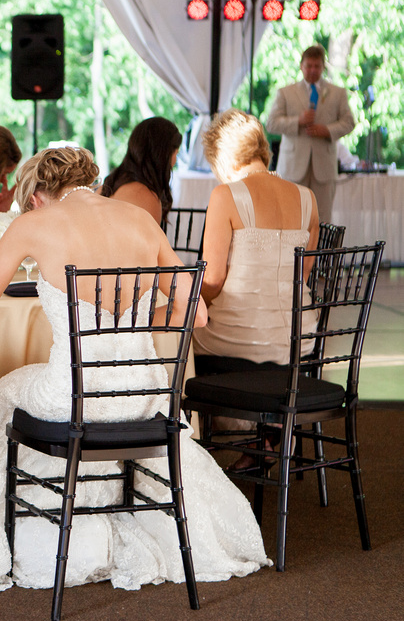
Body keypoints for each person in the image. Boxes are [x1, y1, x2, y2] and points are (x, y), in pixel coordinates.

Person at [0, 145, 270, 594]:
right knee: (23, 391)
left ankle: (26, 531)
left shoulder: (33, 224)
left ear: (39, 193)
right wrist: (134, 321)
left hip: (73, 397)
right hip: (145, 396)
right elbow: (195, 314)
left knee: (4, 392)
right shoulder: (141, 220)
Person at [195, 108, 319, 374]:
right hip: (299, 340)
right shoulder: (308, 197)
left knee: (177, 336)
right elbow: (302, 279)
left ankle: (204, 413)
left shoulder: (224, 195)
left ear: (223, 156)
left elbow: (213, 282)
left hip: (238, 340)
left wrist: (189, 300)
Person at [265, 44, 355, 223]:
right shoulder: (285, 93)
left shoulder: (338, 93)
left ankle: (321, 252)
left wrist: (327, 130)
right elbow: (271, 124)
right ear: (301, 66)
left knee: (322, 220)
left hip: (324, 168)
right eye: (309, 66)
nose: (313, 70)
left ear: (323, 66)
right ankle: (293, 252)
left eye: (317, 66)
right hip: (292, 167)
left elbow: (349, 122)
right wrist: (298, 121)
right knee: (291, 217)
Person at [100, 116, 182, 226]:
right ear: (164, 155)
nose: (175, 160)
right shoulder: (147, 198)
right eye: (176, 153)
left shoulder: (108, 185)